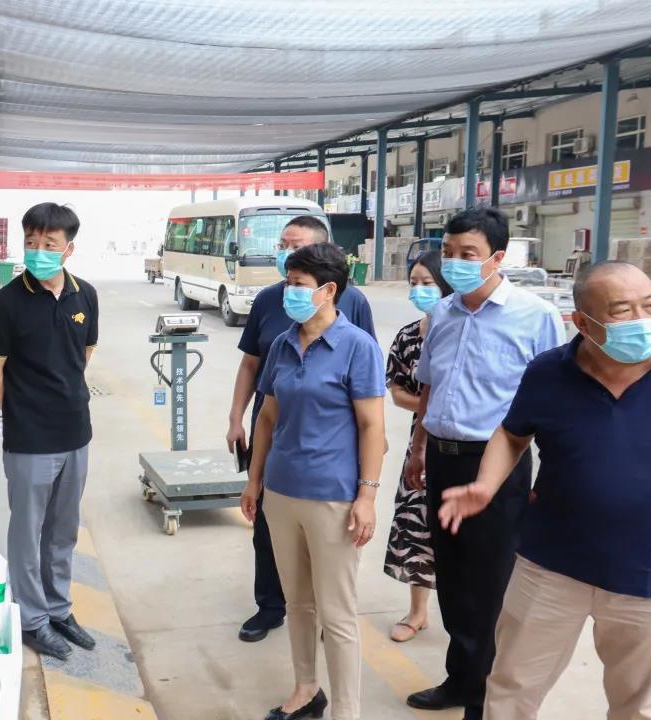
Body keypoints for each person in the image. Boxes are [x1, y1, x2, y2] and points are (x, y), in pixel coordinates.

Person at [439, 261, 651, 720]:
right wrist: (485, 484)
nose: (641, 320)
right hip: (552, 564)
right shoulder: (549, 372)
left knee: (640, 705)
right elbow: (513, 433)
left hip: (645, 575)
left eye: (650, 306)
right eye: (622, 310)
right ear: (582, 323)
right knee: (511, 689)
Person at [403, 207, 565, 719]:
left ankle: (485, 695)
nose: (455, 263)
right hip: (442, 460)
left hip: (498, 466)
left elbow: (554, 401)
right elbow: (429, 386)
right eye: (448, 253)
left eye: (467, 254)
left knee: (491, 583)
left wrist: (549, 476)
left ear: (497, 257)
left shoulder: (535, 316)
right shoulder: (443, 313)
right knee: (451, 577)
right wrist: (418, 448)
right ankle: (461, 679)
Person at [240, 243, 386, 720]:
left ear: (328, 290)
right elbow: (267, 417)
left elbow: (372, 426)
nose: (290, 292)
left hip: (333, 498)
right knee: (298, 603)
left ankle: (347, 710)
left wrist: (366, 496)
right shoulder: (283, 344)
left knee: (337, 613)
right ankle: (306, 690)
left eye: (299, 285)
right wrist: (254, 481)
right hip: (281, 493)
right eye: (289, 282)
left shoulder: (357, 347)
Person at [227, 215, 376, 643]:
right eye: (284, 246)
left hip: (330, 450)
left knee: (330, 543)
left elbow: (367, 389)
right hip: (276, 433)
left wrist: (368, 480)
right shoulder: (269, 300)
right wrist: (236, 417)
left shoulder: (353, 304)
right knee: (267, 530)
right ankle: (270, 606)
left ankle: (328, 615)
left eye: (298, 247)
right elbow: (251, 364)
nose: (287, 255)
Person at [0, 203, 99, 661]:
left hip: (75, 432)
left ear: (69, 249)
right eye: (31, 242)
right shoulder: (6, 304)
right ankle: (31, 619)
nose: (38, 251)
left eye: (49, 244)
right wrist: (23, 413)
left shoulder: (85, 296)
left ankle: (58, 608)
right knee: (28, 533)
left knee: (63, 529)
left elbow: (83, 354)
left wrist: (62, 399)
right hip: (30, 439)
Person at [384, 250, 453, 643]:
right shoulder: (409, 336)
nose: (419, 290)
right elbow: (397, 393)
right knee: (416, 523)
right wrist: (435, 406)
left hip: (471, 443)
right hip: (422, 441)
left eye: (428, 282)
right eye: (413, 283)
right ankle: (417, 613)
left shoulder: (464, 331)